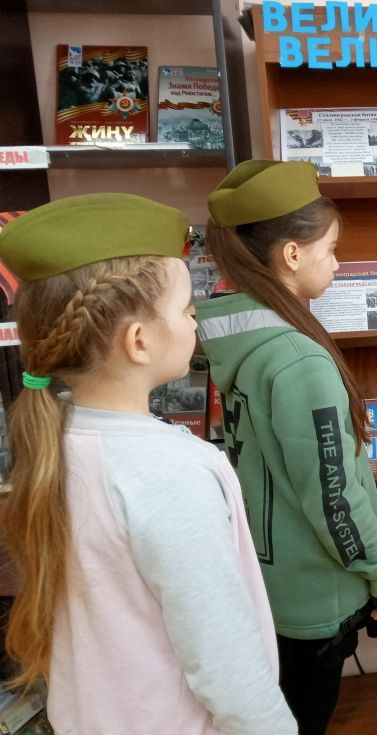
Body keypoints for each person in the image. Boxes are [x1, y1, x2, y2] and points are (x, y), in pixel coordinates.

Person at [0, 193, 295, 734]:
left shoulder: (54, 441)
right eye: (186, 310)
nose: (194, 320)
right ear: (139, 341)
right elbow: (226, 661)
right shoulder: (173, 472)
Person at [195, 160, 377, 735]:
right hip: (314, 596)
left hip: (268, 581)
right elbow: (332, 496)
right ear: (291, 254)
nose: (336, 263)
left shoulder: (238, 343)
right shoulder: (295, 358)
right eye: (330, 250)